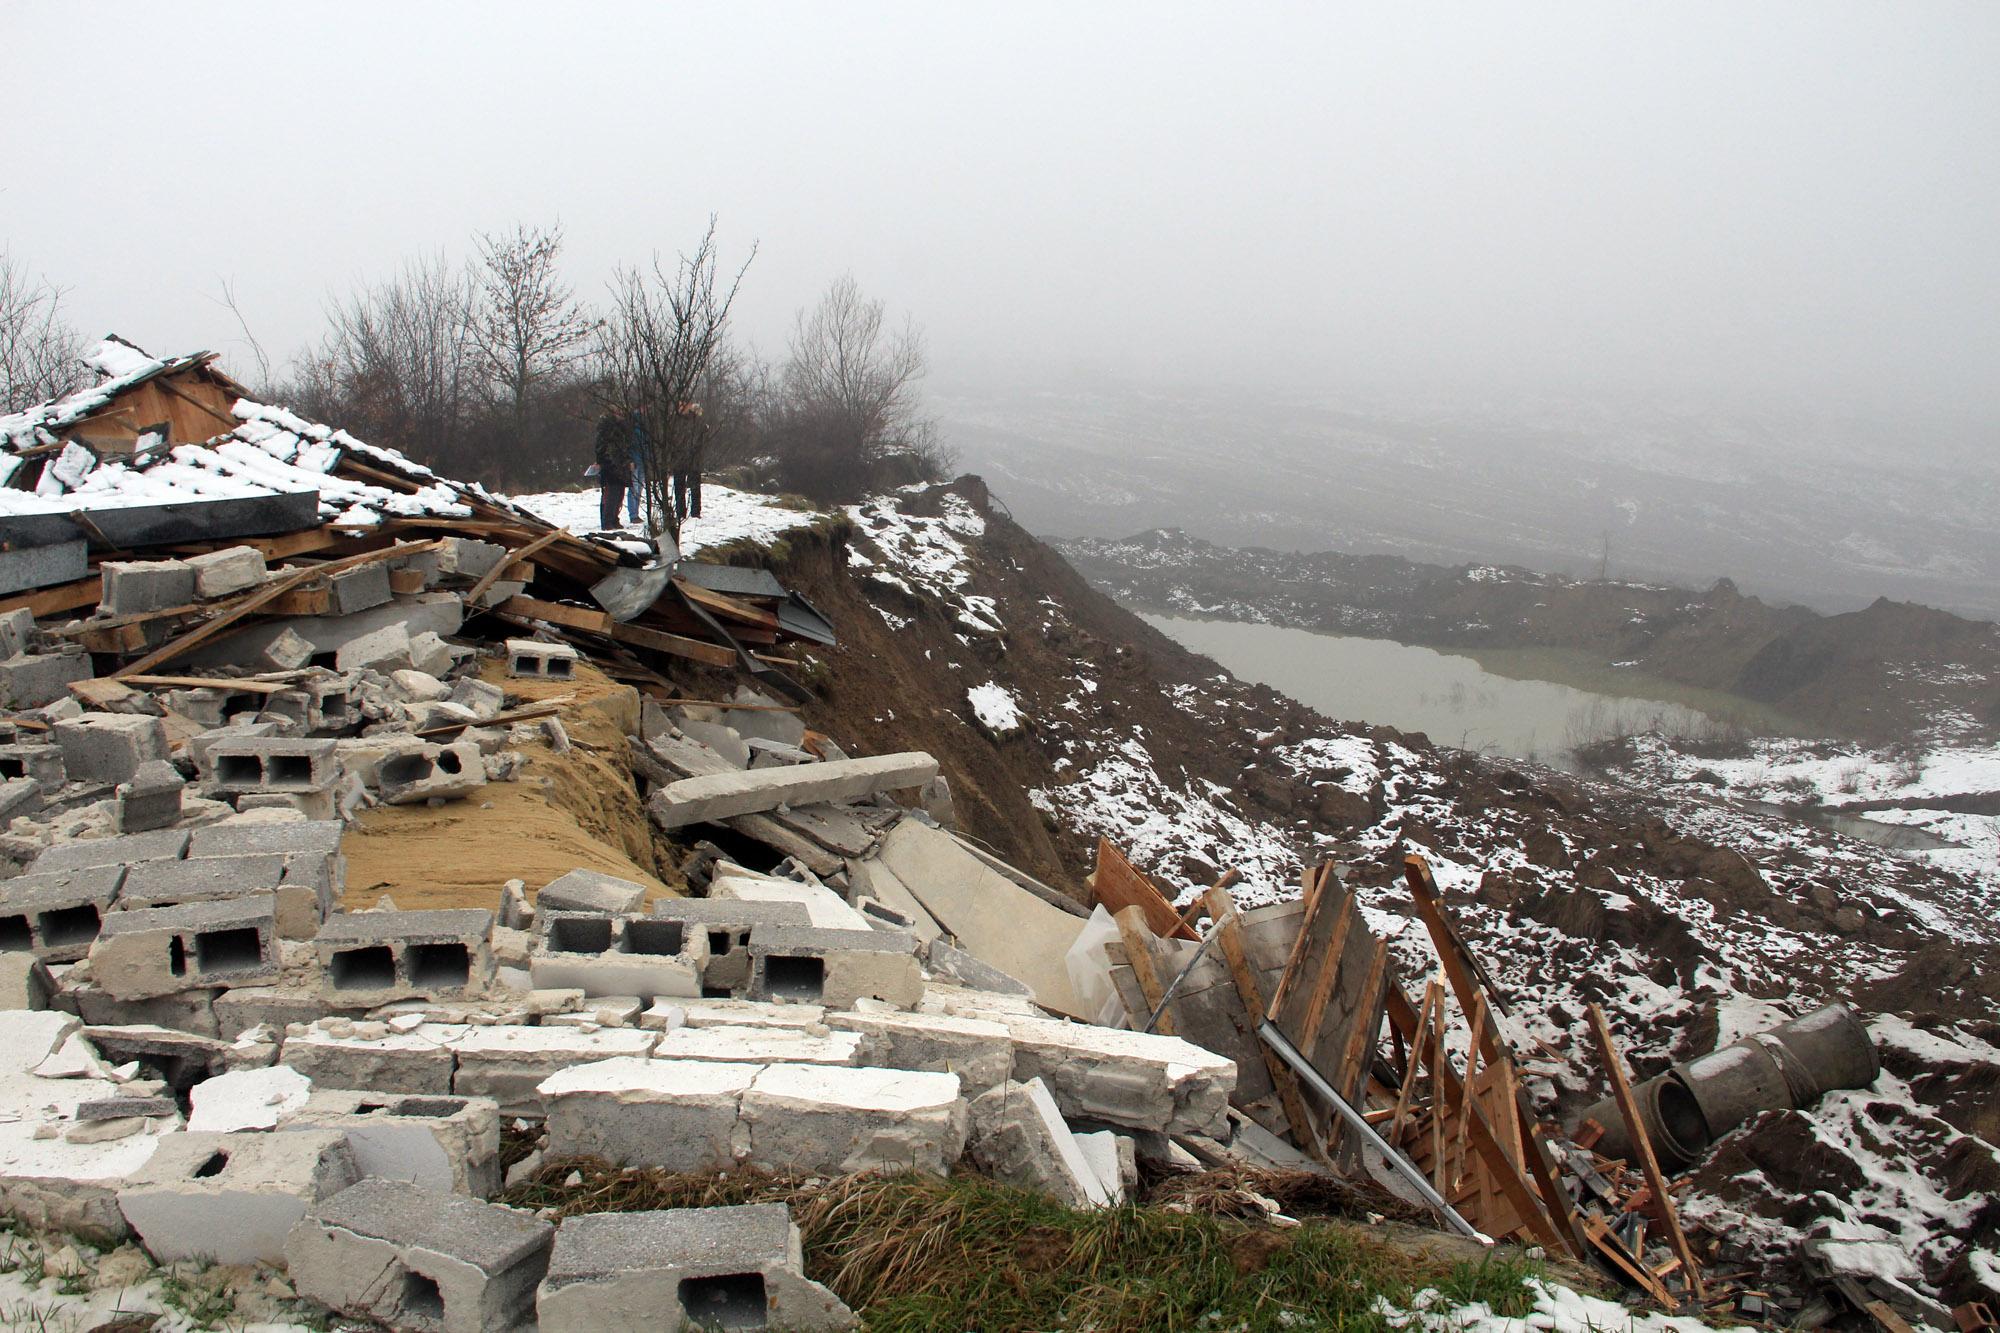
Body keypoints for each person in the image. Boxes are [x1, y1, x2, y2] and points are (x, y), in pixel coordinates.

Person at [593, 406, 634, 530]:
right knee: (611, 494)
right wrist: (602, 461)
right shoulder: (607, 428)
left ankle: (614, 519)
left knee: (619, 494)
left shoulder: (621, 427)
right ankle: (607, 521)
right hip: (610, 464)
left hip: (621, 464)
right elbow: (601, 447)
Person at [671, 400, 707, 523]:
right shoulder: (674, 420)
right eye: (679, 404)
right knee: (679, 487)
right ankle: (680, 512)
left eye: (683, 405)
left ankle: (695, 512)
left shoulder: (696, 420)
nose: (681, 407)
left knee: (695, 486)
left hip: (693, 459)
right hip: (678, 459)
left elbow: (703, 435)